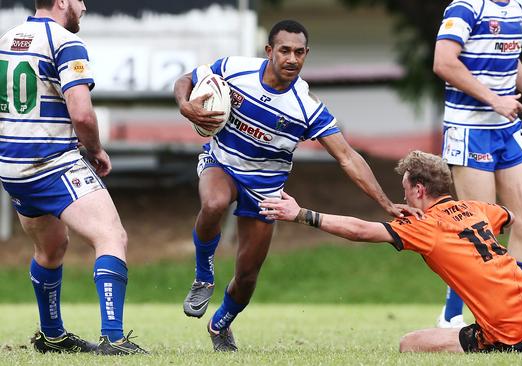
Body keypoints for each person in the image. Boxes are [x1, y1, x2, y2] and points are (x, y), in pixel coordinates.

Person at [173, 20, 418, 352]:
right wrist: (185, 105)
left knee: (246, 278)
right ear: (269, 51)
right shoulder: (233, 70)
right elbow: (186, 79)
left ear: (306, 55)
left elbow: (347, 156)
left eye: (299, 52)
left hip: (266, 190)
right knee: (214, 203)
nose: (291, 59)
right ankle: (203, 276)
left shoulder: (305, 107)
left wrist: (386, 203)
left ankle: (219, 326)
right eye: (284, 50)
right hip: (222, 163)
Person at [260, 150, 522, 354]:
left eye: (404, 189)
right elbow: (511, 216)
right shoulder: (477, 209)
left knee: (409, 345)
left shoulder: (426, 225)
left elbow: (360, 230)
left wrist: (302, 215)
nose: (402, 197)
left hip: (505, 328)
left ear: (419, 190)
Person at [0, 0, 146, 355]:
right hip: (50, 162)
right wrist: (95, 149)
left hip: (12, 167)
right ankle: (113, 337)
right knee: (111, 236)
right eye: (80, 0)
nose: (84, 7)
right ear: (63, 1)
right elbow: (81, 114)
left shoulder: (8, 38)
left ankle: (51, 336)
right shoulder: (65, 41)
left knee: (51, 247)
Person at [432, 0, 522, 327]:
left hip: (506, 127)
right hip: (470, 128)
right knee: (481, 229)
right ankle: (452, 314)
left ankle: (520, 308)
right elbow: (444, 63)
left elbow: (509, 60)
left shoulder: (518, 6)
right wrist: (495, 99)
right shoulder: (465, 7)